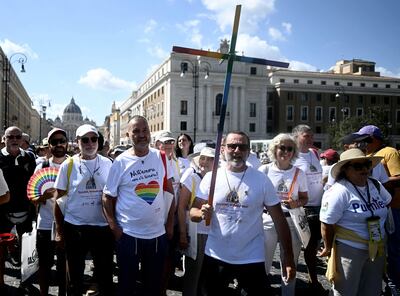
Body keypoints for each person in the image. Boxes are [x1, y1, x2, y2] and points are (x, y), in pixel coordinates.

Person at [190, 131, 295, 296]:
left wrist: (288, 257)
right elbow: (193, 212)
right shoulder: (211, 177)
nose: (237, 150)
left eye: (242, 146)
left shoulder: (261, 180)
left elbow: (279, 220)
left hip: (251, 257)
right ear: (223, 149)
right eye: (232, 146)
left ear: (248, 150)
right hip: (216, 255)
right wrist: (201, 213)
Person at [102, 115, 175, 296]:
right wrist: (114, 228)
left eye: (145, 130)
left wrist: (170, 224)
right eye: (136, 131)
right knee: (126, 286)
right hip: (129, 235)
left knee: (153, 286)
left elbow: (170, 192)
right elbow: (107, 197)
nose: (142, 135)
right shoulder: (120, 162)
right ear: (128, 135)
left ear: (150, 133)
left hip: (158, 235)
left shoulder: (162, 158)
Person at [319, 148, 391, 296]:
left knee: (372, 291)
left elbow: (387, 202)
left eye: (367, 165)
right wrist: (327, 247)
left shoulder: (375, 185)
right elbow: (326, 223)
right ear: (345, 170)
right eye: (358, 166)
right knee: (346, 291)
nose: (364, 169)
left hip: (376, 247)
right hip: (349, 250)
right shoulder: (339, 191)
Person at [54, 124, 114, 296]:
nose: (90, 143)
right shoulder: (68, 164)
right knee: (74, 279)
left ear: (98, 141)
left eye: (94, 139)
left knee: (105, 278)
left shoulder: (108, 163)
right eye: (85, 140)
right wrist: (59, 231)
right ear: (77, 142)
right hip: (75, 228)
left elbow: (114, 195)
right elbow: (59, 199)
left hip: (102, 227)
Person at [259, 133, 308, 296]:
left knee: (290, 262)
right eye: (282, 147)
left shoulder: (299, 173)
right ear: (274, 149)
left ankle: (288, 293)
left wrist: (297, 203)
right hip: (268, 220)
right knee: (263, 261)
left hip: (291, 221)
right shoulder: (264, 170)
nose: (286, 151)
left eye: (290, 149)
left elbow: (304, 198)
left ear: (294, 153)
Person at [355, 125, 400, 293]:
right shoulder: (368, 155)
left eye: (366, 140)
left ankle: (395, 286)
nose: (363, 143)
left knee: (393, 250)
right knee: (378, 248)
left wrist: (375, 182)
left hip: (393, 209)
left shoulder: (389, 151)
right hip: (376, 210)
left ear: (376, 139)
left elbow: (399, 176)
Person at [0, 126, 36, 293]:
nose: (14, 139)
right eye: (10, 136)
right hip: (3, 213)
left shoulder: (30, 157)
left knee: (27, 250)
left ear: (22, 139)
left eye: (18, 136)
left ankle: (26, 278)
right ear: (4, 139)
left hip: (26, 211)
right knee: (0, 249)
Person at [34, 128, 69, 296]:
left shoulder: (75, 164)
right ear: (49, 146)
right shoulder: (41, 166)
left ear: (67, 143)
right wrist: (43, 196)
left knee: (65, 265)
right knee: (44, 265)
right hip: (46, 223)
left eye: (62, 140)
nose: (59, 144)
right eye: (54, 142)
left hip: (69, 224)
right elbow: (32, 198)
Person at [291, 124, 326, 292]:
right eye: (307, 135)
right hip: (304, 206)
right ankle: (310, 279)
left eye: (312, 135)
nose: (311, 138)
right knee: (306, 244)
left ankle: (312, 278)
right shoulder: (292, 157)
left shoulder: (314, 153)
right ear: (296, 137)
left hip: (320, 205)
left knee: (314, 244)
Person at [178, 146, 215, 296]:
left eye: (210, 159)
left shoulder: (218, 178)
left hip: (213, 232)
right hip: (195, 231)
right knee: (193, 272)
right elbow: (181, 207)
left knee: (208, 273)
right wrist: (182, 233)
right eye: (203, 158)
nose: (205, 162)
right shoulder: (191, 178)